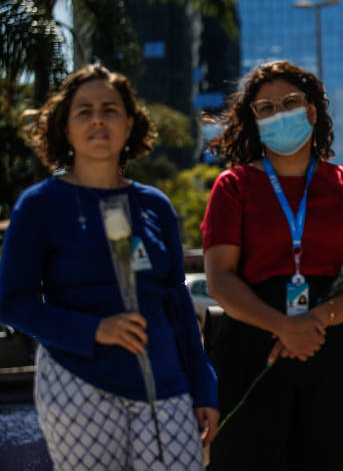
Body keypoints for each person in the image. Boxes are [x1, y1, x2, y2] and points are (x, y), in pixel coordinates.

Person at [0, 64, 218, 469]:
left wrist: (204, 387)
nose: (97, 118)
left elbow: (178, 305)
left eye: (109, 109)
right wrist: (95, 330)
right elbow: (14, 303)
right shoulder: (39, 206)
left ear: (130, 122)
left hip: (165, 385)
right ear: (65, 127)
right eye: (83, 110)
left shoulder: (155, 205)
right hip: (78, 383)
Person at [201, 60, 343, 470]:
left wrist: (315, 319)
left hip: (330, 342)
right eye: (266, 107)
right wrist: (282, 325)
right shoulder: (232, 187)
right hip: (252, 345)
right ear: (253, 119)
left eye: (290, 102)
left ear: (312, 111)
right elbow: (220, 277)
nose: (279, 113)